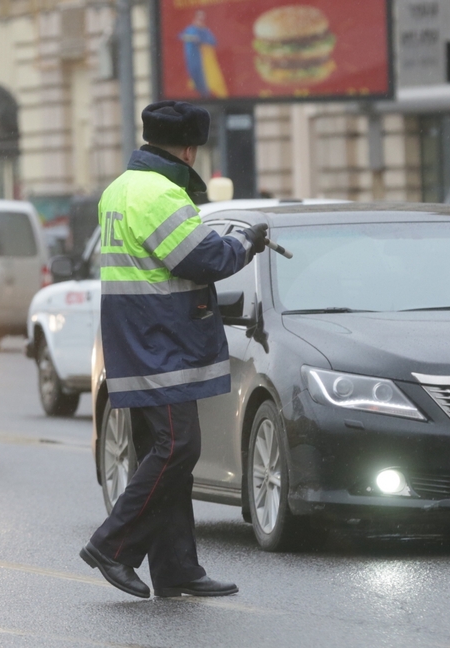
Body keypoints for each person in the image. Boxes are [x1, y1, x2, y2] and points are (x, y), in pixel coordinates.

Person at [80, 100, 268, 599]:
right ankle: (112, 545)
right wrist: (245, 243)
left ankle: (176, 567)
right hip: (161, 343)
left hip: (134, 340)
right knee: (177, 449)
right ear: (189, 148)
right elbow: (199, 257)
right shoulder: (161, 193)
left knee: (164, 456)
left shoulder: (120, 188)